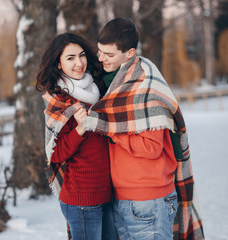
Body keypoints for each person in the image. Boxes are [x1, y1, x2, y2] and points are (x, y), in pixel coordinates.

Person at [83, 18, 205, 240]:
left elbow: (151, 147)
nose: (101, 59)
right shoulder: (113, 85)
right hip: (124, 198)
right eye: (99, 52)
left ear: (130, 53)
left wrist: (108, 128)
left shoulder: (144, 86)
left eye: (109, 55)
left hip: (148, 200)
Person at [36, 32, 117, 240]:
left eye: (81, 55)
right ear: (58, 65)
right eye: (70, 58)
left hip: (107, 193)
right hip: (82, 199)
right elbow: (55, 154)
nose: (79, 63)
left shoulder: (98, 91)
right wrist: (80, 129)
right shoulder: (60, 100)